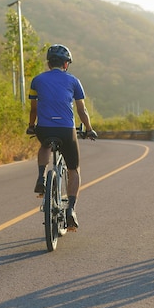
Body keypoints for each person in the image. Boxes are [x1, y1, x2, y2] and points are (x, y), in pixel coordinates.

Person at [27, 44, 97, 229]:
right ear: (66, 64)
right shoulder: (74, 81)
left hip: (44, 128)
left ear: (49, 64)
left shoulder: (37, 80)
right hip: (66, 130)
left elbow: (34, 108)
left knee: (44, 146)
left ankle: (41, 177)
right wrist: (89, 129)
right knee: (74, 169)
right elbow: (81, 109)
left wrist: (31, 126)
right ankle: (71, 209)